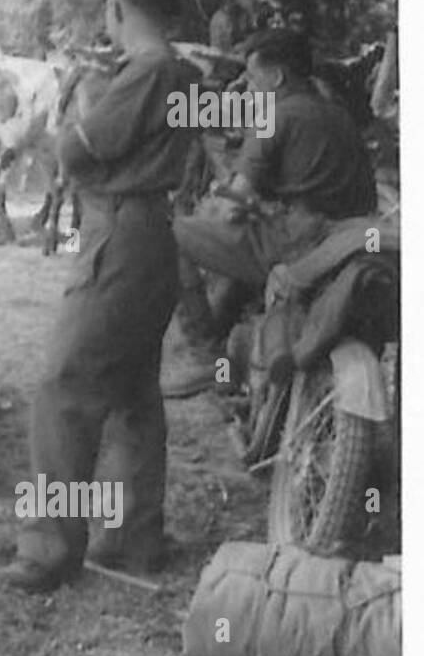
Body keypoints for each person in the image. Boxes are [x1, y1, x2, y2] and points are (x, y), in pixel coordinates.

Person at [0, 0, 202, 593]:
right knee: (134, 392)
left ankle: (50, 550)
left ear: (116, 7)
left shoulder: (146, 71)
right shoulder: (182, 72)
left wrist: (79, 109)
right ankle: (133, 539)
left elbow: (73, 150)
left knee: (64, 386)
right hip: (152, 237)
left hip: (118, 235)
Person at [162, 28, 378, 398]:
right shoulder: (339, 115)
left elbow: (233, 207)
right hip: (350, 239)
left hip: (298, 240)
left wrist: (221, 203)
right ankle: (229, 366)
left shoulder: (273, 117)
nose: (246, 86)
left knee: (169, 235)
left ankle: (203, 354)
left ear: (276, 77)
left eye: (252, 76)